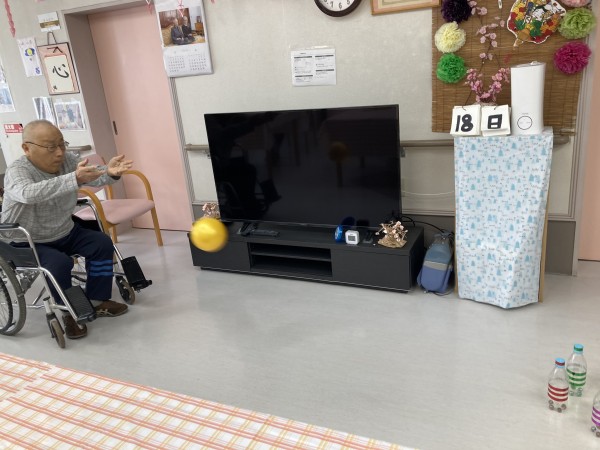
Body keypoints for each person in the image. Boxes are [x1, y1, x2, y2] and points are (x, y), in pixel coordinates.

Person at [1, 120, 133, 340]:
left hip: (64, 230)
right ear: (26, 148)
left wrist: (110, 172)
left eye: (62, 144)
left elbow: (92, 175)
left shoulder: (67, 160)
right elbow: (29, 193)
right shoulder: (18, 171)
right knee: (59, 263)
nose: (60, 152)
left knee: (101, 243)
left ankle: (97, 300)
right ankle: (67, 311)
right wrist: (74, 178)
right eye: (51, 147)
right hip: (26, 240)